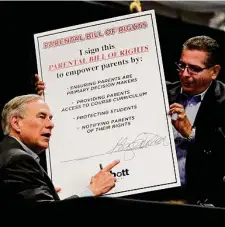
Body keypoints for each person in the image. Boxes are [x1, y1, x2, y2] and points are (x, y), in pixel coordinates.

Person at [0, 94, 120, 209]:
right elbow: (49, 217)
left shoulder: (9, 154)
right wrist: (92, 191)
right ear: (16, 123)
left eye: (50, 118)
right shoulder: (18, 160)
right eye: (41, 117)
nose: (51, 124)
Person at [165, 35, 225, 206]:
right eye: (182, 65)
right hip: (158, 197)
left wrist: (191, 133)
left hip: (203, 203)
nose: (184, 74)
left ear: (214, 71)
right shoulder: (162, 93)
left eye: (194, 69)